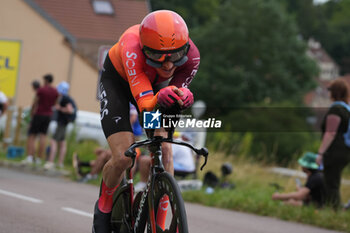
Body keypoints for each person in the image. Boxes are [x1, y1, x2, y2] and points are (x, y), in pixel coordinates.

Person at [93, 10, 200, 233]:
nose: (169, 65)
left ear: (185, 48)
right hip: (120, 85)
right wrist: (158, 97)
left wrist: (183, 94)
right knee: (123, 156)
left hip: (156, 88)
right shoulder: (131, 48)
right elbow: (144, 103)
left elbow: (178, 89)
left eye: (175, 56)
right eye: (158, 56)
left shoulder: (192, 57)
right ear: (144, 49)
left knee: (165, 150)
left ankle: (157, 223)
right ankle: (103, 206)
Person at [74, 103, 143, 182]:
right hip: (129, 138)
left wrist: (124, 129)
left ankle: (89, 172)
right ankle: (89, 172)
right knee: (104, 154)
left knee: (105, 154)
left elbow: (133, 118)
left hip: (133, 138)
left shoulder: (132, 104)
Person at [316, 79, 350, 209]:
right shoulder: (347, 109)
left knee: (331, 183)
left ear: (334, 93)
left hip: (335, 151)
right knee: (334, 181)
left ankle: (334, 211)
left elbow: (330, 132)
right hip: (346, 149)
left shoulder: (336, 109)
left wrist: (320, 153)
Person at [23, 74, 59, 165]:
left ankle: (30, 157)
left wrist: (31, 113)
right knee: (43, 136)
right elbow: (55, 103)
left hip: (39, 114)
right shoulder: (55, 91)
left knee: (32, 135)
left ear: (46, 80)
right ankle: (39, 158)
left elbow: (35, 102)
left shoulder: (41, 90)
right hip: (48, 115)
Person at [44, 81, 76, 170]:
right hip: (64, 123)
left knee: (53, 141)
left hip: (62, 123)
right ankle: (60, 163)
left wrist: (60, 108)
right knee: (62, 142)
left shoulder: (65, 98)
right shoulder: (66, 98)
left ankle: (50, 162)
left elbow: (70, 110)